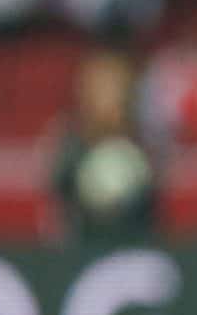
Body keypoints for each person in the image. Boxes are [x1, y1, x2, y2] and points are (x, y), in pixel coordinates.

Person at [50, 51, 157, 239]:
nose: (104, 95)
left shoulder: (148, 145)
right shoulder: (68, 148)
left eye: (112, 86)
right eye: (97, 86)